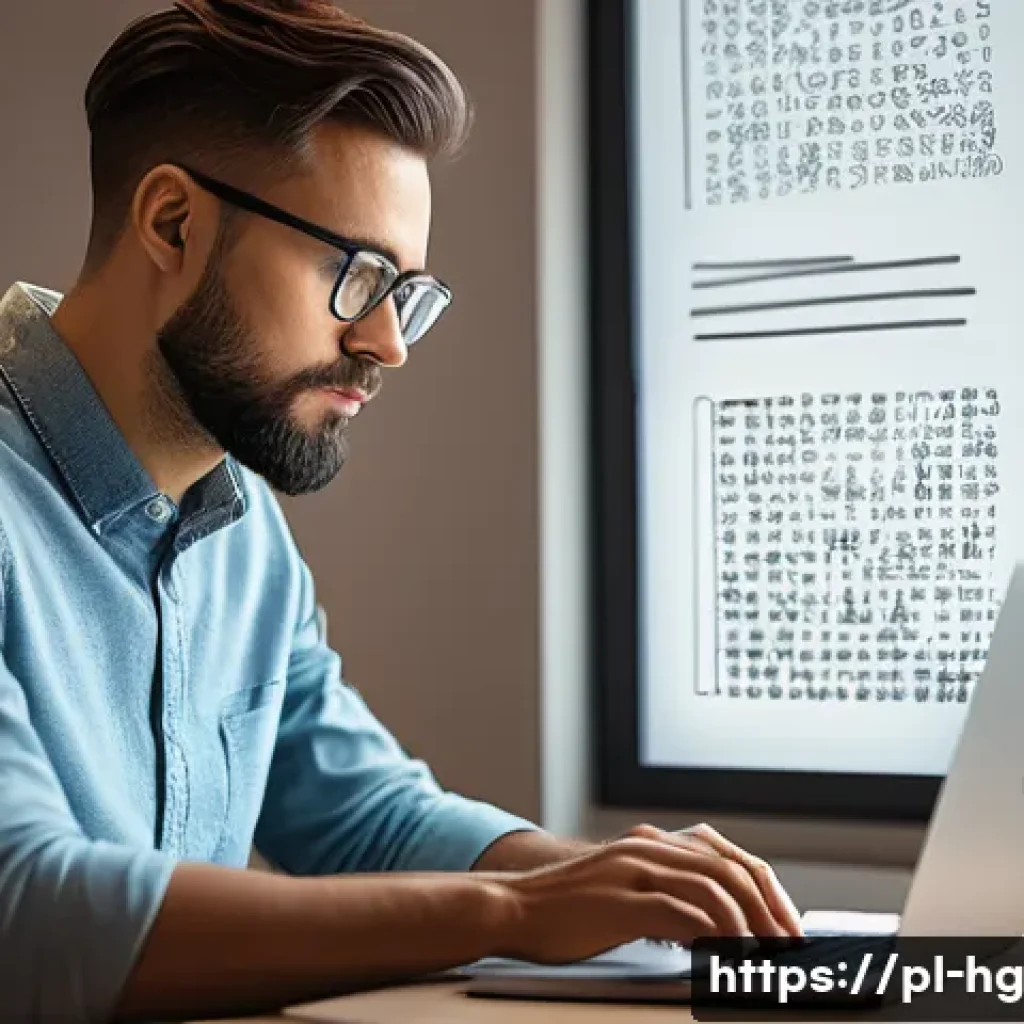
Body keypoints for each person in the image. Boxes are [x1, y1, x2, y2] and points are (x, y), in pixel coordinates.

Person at [0, 1, 803, 1020]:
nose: (389, 342)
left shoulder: (244, 538)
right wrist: (507, 910)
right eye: (358, 274)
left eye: (407, 290)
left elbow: (363, 816)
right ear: (173, 224)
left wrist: (615, 885)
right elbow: (28, 911)